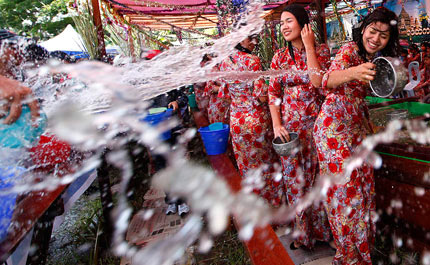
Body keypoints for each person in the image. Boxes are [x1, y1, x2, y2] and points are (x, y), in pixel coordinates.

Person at [313, 7, 400, 264]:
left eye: (383, 35)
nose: (376, 38)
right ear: (363, 29)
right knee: (346, 196)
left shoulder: (376, 57)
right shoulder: (350, 50)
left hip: (356, 128)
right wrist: (353, 72)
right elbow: (324, 80)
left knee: (363, 192)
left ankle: (361, 252)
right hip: (333, 132)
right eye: (372, 31)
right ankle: (349, 256)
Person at [268, 4, 331, 249]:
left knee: (318, 179)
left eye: (289, 21)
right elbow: (273, 94)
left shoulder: (321, 51)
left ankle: (325, 234)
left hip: (318, 125)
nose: (284, 26)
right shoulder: (279, 57)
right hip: (291, 131)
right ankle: (303, 236)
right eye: (281, 22)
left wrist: (308, 46)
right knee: (295, 180)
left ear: (303, 24)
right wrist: (276, 124)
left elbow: (322, 84)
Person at [218, 34, 281, 206]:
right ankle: (272, 206)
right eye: (249, 39)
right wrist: (272, 88)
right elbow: (261, 97)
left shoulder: (224, 63)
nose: (254, 42)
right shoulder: (253, 61)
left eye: (255, 38)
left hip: (237, 121)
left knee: (247, 166)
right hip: (256, 120)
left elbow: (223, 95)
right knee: (266, 163)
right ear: (238, 40)